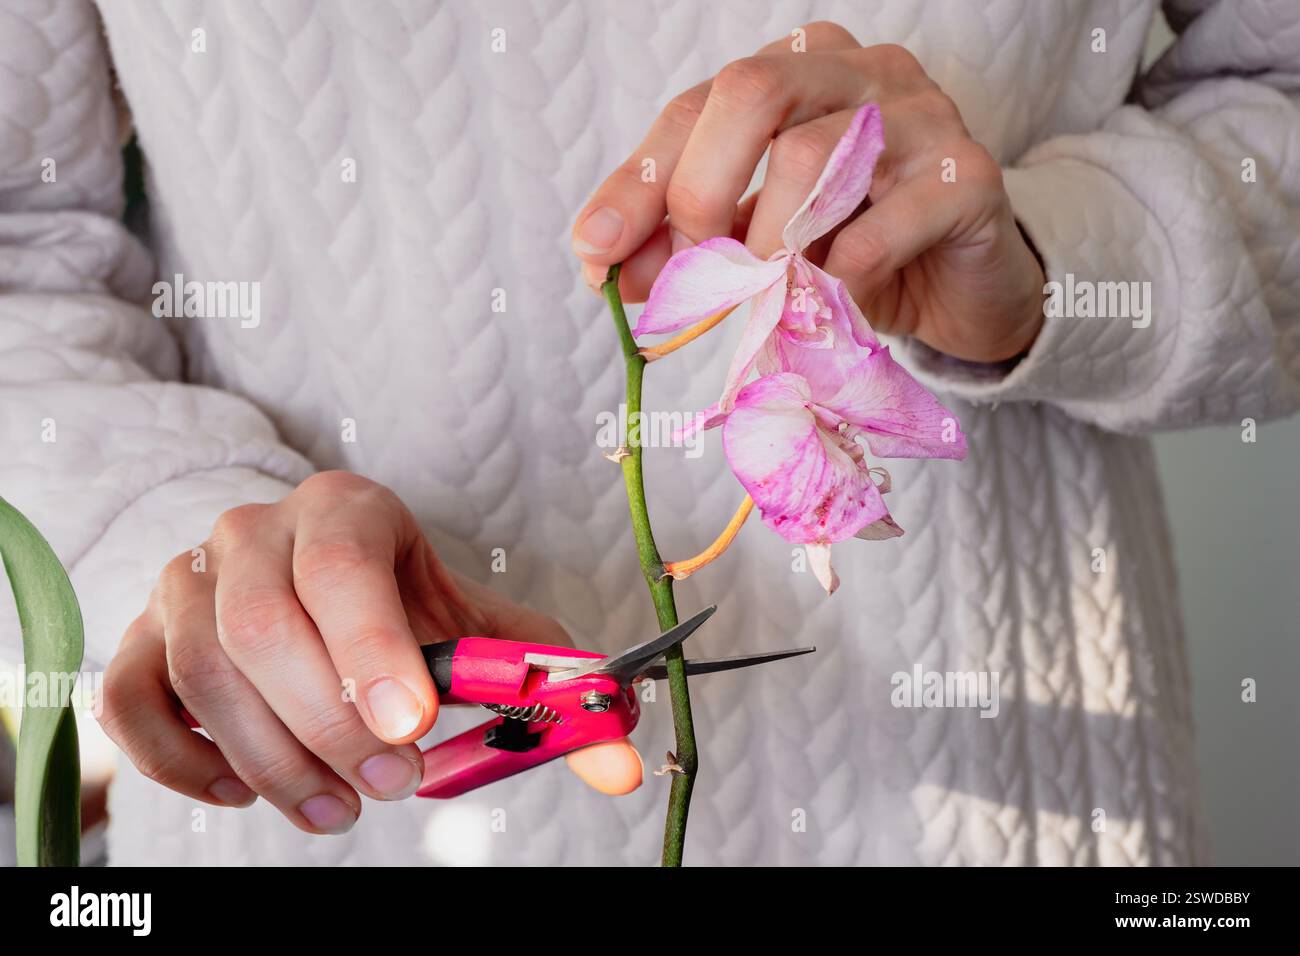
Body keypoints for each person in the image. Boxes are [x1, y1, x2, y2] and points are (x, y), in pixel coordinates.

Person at [2, 0, 1296, 866]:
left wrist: (1062, 261)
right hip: (323, 814)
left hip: (999, 792)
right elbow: (21, 243)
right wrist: (181, 538)